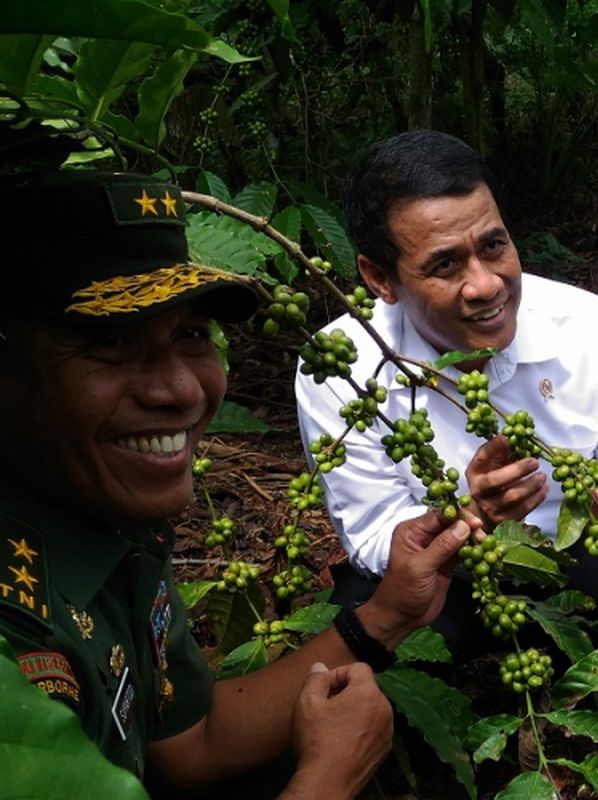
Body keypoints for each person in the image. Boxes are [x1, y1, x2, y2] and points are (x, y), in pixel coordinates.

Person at [0, 170, 476, 797]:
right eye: (109, 344)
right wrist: (329, 778)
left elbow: (191, 744)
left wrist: (388, 614)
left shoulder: (113, 527)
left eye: (192, 336)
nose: (181, 390)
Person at [294, 131, 598, 628]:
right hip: (445, 576)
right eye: (445, 264)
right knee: (363, 638)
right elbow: (373, 539)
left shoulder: (595, 330)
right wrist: (468, 519)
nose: (485, 284)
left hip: (581, 558)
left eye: (493, 246)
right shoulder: (343, 369)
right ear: (380, 280)